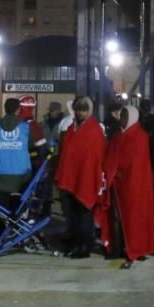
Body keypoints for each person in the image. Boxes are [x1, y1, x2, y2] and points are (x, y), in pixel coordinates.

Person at [102, 106, 154, 269]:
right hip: (120, 186)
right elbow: (111, 158)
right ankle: (121, 247)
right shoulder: (119, 136)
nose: (123, 119)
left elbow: (134, 163)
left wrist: (116, 169)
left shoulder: (140, 137)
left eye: (126, 116)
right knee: (120, 220)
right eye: (122, 115)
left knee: (136, 219)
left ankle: (136, 249)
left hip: (136, 185)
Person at [55, 97, 107, 259]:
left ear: (89, 111)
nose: (80, 113)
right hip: (72, 180)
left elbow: (96, 157)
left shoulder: (94, 130)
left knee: (84, 216)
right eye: (78, 109)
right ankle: (77, 244)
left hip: (86, 180)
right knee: (74, 216)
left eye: (84, 110)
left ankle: (84, 248)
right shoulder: (72, 129)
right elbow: (67, 154)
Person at [0, 98, 43, 233]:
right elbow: (31, 146)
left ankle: (0, 232)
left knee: (1, 205)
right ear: (18, 110)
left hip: (0, 173)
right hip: (21, 173)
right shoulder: (24, 127)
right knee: (18, 204)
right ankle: (15, 229)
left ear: (5, 109)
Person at [139, 99, 154, 168]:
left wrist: (152, 136)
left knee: (150, 164)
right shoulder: (137, 117)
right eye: (144, 108)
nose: (145, 111)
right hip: (140, 145)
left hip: (150, 145)